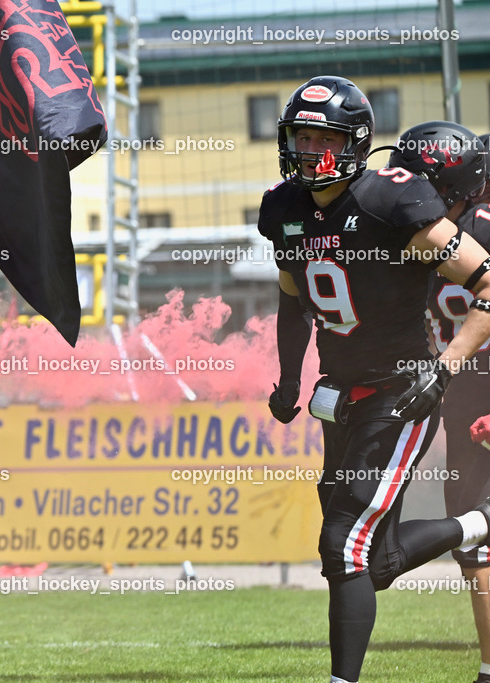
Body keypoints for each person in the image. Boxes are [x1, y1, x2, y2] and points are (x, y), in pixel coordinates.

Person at [258, 76, 490, 683]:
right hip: (340, 392)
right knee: (368, 559)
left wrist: (443, 369)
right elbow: (291, 301)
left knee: (342, 540)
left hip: (401, 388)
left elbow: (487, 282)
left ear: (356, 141)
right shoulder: (283, 207)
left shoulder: (394, 199)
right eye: (299, 136)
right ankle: (482, 523)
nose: (307, 149)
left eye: (321, 137)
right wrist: (289, 377)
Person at [390, 122, 490, 683]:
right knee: (475, 539)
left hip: (473, 391)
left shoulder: (467, 231)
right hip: (457, 398)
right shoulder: (405, 231)